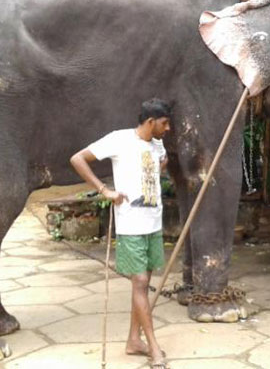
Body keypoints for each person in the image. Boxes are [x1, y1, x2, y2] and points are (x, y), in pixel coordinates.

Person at [70, 98, 171, 369]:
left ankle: (132, 341)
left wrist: (161, 165)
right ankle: (153, 346)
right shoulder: (119, 139)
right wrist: (105, 191)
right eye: (164, 123)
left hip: (153, 222)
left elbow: (154, 170)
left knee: (143, 282)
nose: (168, 128)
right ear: (151, 122)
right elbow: (78, 159)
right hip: (131, 224)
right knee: (140, 282)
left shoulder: (157, 143)